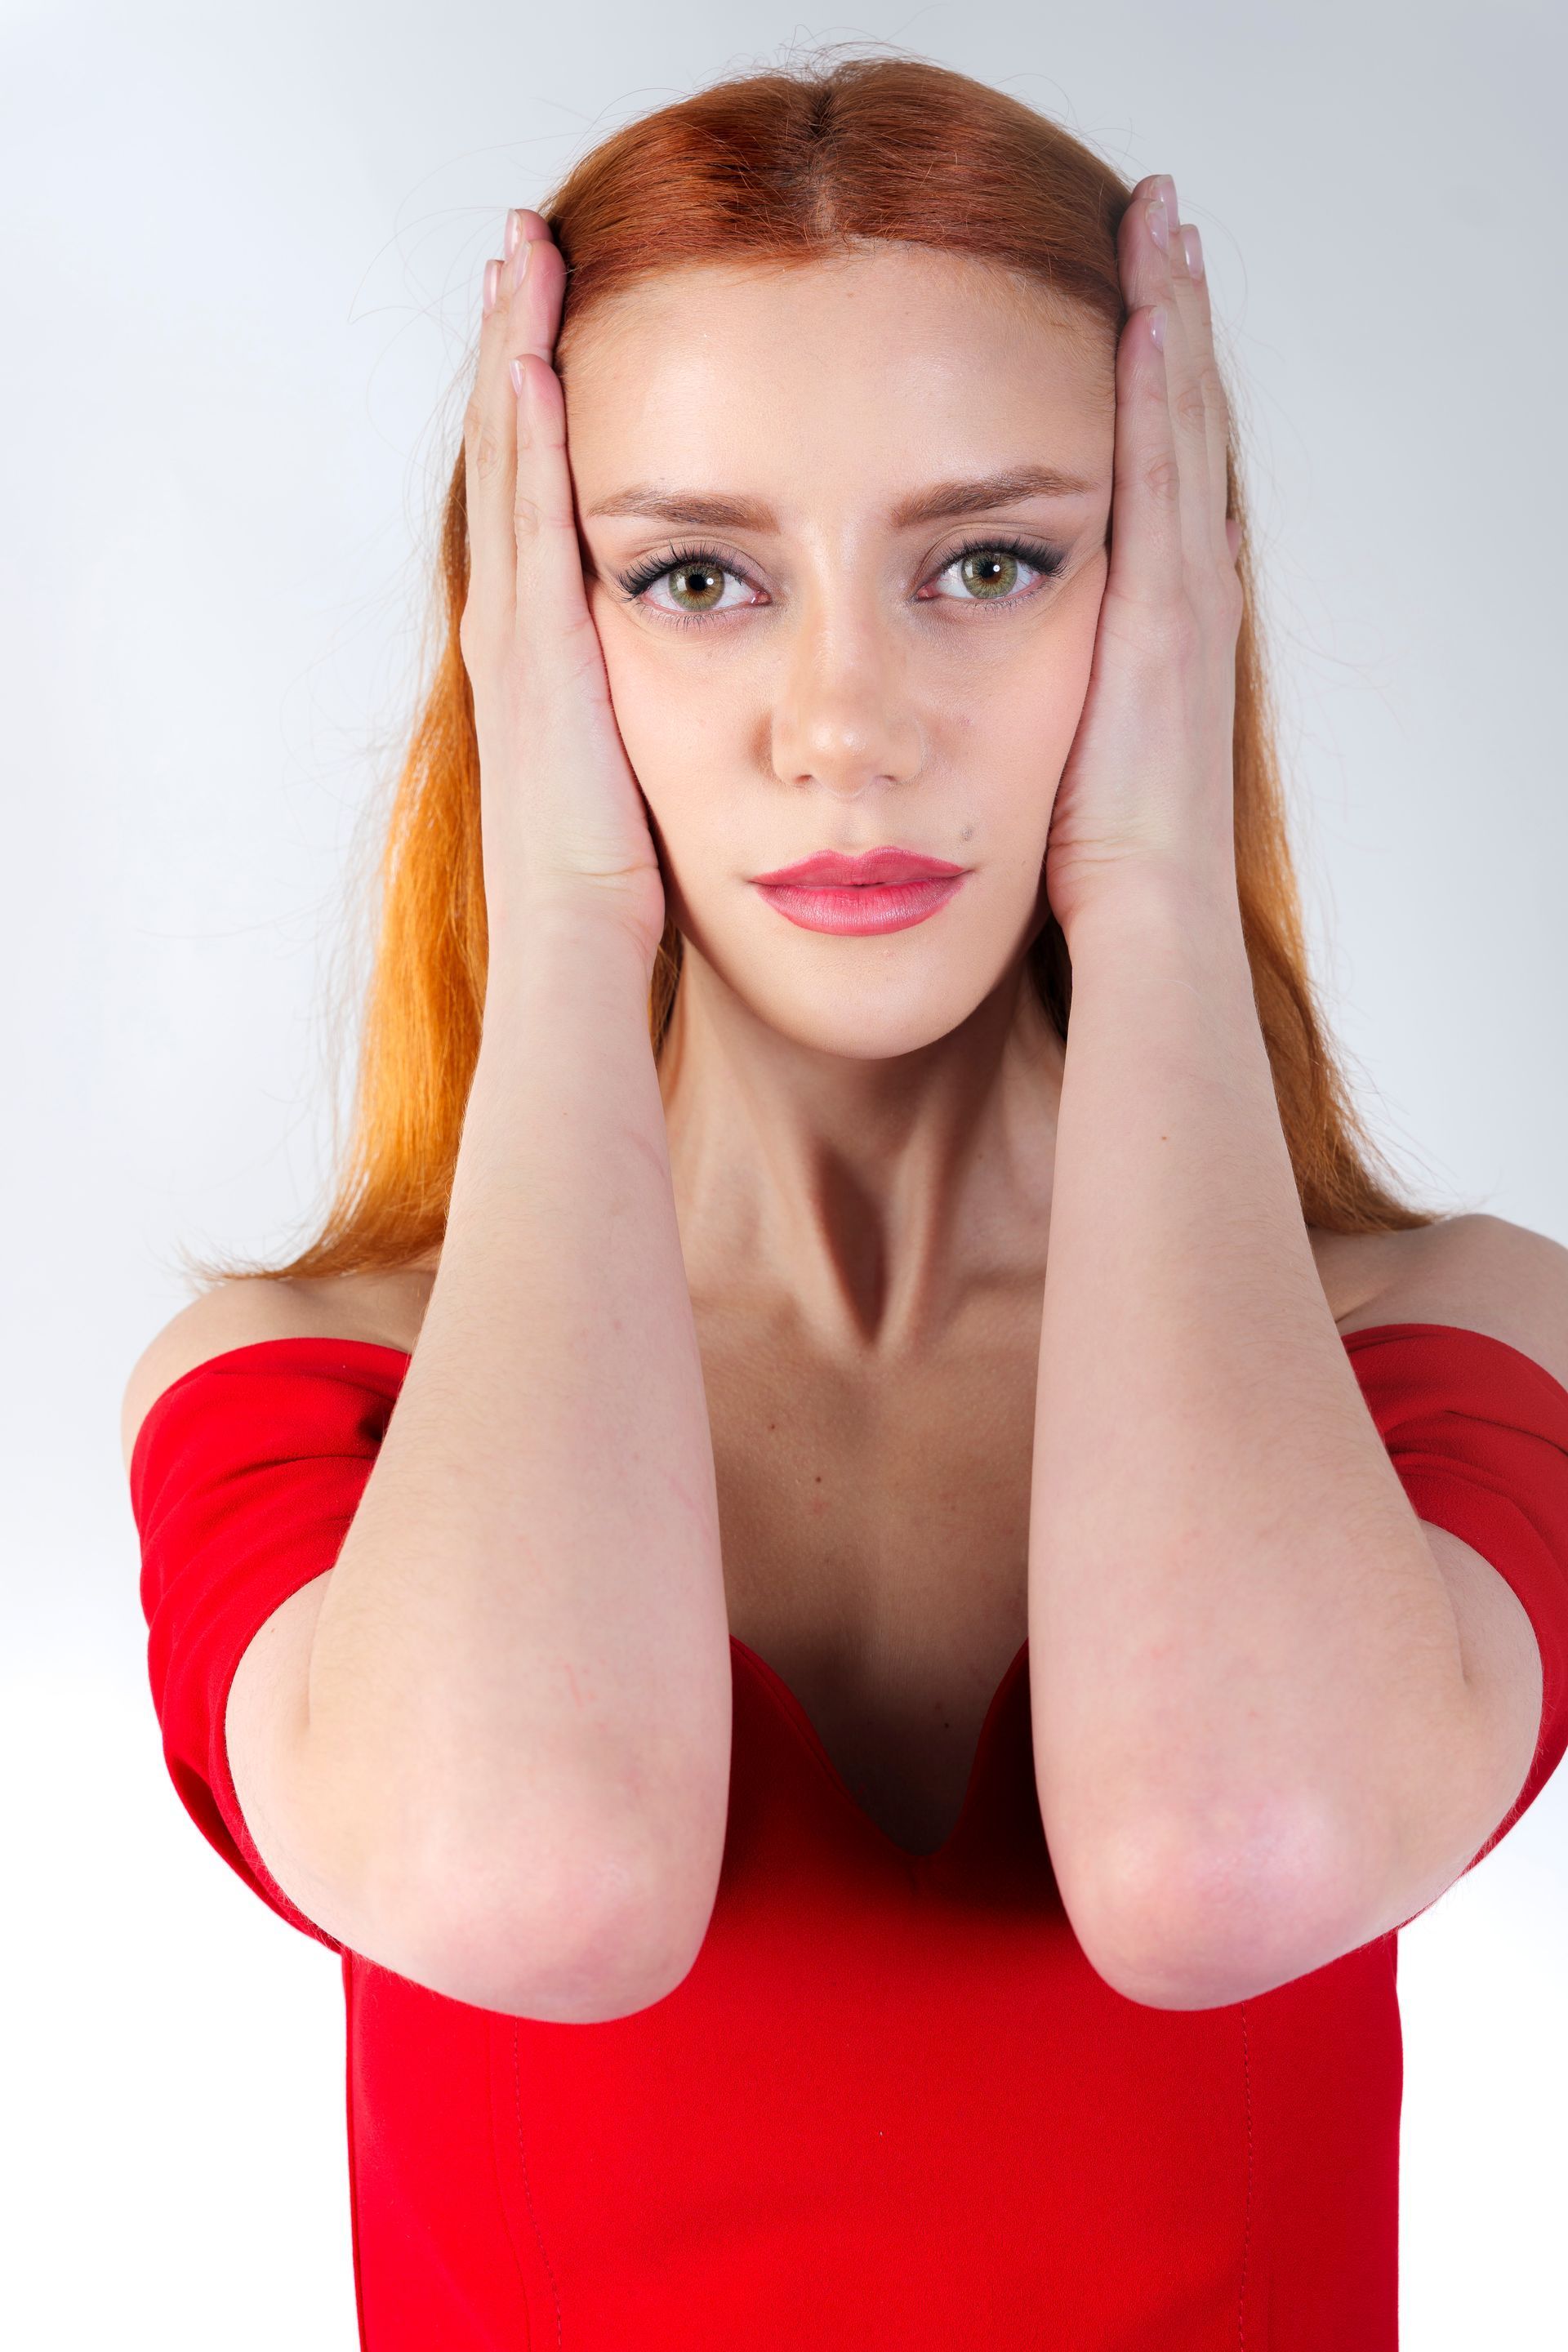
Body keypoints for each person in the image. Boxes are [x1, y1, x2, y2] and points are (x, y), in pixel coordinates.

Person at [122, 48, 1568, 2350]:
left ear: (1170, 588)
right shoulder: (314, 1401)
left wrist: (1164, 892)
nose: (845, 723)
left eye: (990, 562)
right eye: (692, 576)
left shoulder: (1443, 1347)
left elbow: (1231, 1858)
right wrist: (569, 915)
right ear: (535, 629)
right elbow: (538, 1878)